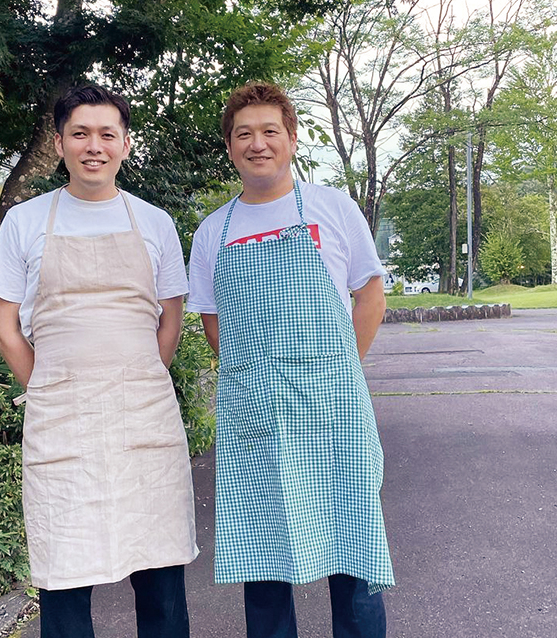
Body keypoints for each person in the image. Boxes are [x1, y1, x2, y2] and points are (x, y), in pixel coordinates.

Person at [0, 85, 198, 638]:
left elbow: (169, 318)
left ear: (126, 145)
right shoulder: (26, 222)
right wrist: (48, 385)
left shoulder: (155, 222)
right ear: (59, 144)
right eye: (80, 134)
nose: (94, 146)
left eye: (107, 134)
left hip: (143, 413)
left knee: (160, 574)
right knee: (63, 573)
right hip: (61, 417)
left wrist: (142, 376)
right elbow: (4, 325)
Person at [187, 82, 395, 638]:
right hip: (256, 419)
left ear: (293, 138)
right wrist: (256, 380)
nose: (258, 144)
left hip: (335, 414)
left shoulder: (332, 207)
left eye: (269, 131)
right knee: (263, 563)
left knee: (354, 555)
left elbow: (370, 295)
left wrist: (341, 372)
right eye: (244, 134)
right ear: (230, 146)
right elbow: (212, 319)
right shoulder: (213, 231)